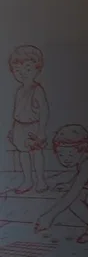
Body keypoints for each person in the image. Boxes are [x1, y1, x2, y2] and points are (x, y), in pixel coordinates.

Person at [7, 45, 48, 196]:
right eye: (18, 70)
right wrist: (13, 130)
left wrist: (42, 131)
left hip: (33, 126)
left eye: (28, 69)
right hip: (19, 126)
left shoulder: (37, 90)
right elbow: (16, 112)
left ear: (38, 69)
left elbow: (44, 112)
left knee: (36, 153)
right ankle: (28, 180)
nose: (22, 73)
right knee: (22, 154)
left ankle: (40, 180)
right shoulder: (19, 90)